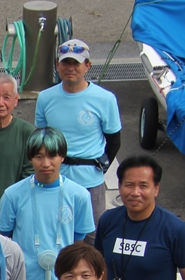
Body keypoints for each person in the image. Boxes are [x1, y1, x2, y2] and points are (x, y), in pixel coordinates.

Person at [0, 127, 94, 280]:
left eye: (52, 156)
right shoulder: (13, 194)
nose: (46, 163)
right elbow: (3, 240)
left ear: (62, 156)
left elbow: (78, 243)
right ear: (30, 158)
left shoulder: (79, 195)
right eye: (39, 156)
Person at [34, 40, 121, 230]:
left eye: (76, 63)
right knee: (53, 231)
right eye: (65, 62)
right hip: (55, 179)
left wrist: (101, 167)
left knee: (92, 235)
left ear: (87, 66)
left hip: (90, 182)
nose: (70, 68)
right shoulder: (45, 98)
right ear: (57, 65)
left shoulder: (105, 99)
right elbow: (40, 138)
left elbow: (114, 140)